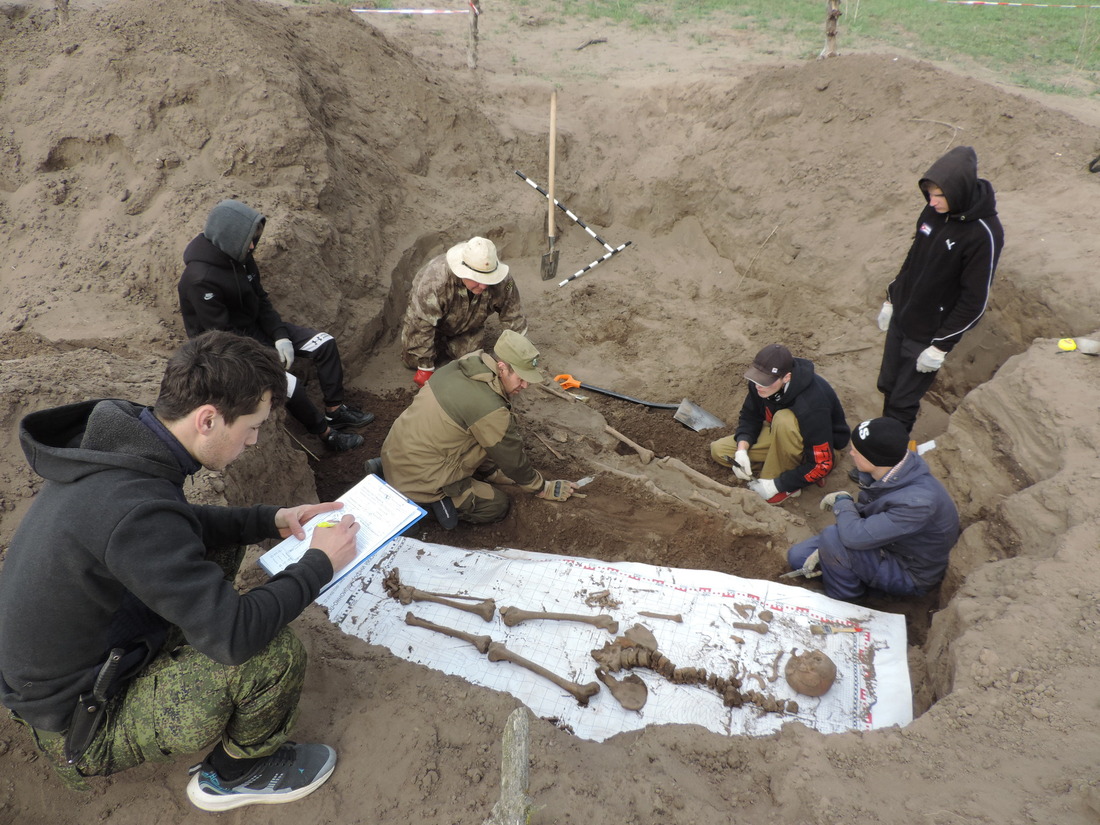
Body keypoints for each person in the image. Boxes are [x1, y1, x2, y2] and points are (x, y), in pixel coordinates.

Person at [0, 331, 361, 812]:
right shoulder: (131, 508)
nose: (254, 441)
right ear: (208, 419)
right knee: (270, 657)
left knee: (218, 549)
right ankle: (236, 774)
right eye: (251, 427)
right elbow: (234, 638)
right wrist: (320, 563)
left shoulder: (123, 447)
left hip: (66, 662)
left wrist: (269, 520)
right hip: (79, 720)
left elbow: (172, 526)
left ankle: (180, 651)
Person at [178, 198, 373, 452]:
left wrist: (280, 335)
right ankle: (327, 436)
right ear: (229, 238)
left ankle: (335, 411)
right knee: (291, 386)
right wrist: (268, 357)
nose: (251, 246)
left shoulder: (240, 256)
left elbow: (261, 300)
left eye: (253, 239)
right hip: (225, 353)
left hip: (256, 331)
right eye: (247, 240)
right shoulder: (199, 280)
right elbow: (222, 336)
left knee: (325, 343)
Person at [379, 329, 575, 526]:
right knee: (497, 505)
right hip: (418, 480)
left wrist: (490, 471)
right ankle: (423, 504)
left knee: (475, 434)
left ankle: (394, 473)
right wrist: (541, 487)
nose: (524, 386)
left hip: (394, 453)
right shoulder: (489, 408)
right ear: (502, 368)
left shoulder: (462, 366)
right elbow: (511, 457)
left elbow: (474, 433)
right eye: (521, 379)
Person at [875, 145, 1004, 433]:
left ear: (959, 190)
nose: (932, 202)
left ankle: (888, 462)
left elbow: (975, 300)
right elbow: (914, 255)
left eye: (939, 195)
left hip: (929, 333)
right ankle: (884, 440)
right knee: (887, 385)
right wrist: (892, 297)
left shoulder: (984, 234)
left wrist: (940, 345)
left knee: (903, 401)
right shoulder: (933, 212)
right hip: (903, 316)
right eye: (929, 194)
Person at [786, 417, 960, 602]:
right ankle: (857, 577)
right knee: (799, 557)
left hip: (908, 571)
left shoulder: (917, 503)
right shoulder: (894, 466)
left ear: (875, 459)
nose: (851, 453)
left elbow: (853, 536)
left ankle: (846, 601)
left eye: (857, 450)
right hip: (887, 541)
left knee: (833, 537)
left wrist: (843, 501)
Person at [711, 343, 850, 505]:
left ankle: (789, 481)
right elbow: (750, 416)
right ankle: (795, 469)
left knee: (784, 419)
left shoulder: (812, 404)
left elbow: (823, 463)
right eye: (756, 379)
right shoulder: (759, 384)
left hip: (821, 448)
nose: (758, 386)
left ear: (786, 377)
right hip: (780, 433)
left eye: (765, 382)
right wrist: (742, 450)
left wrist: (777, 485)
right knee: (719, 451)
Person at [400, 236, 528, 388]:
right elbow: (421, 323)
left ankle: (449, 345)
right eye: (477, 279)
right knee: (413, 360)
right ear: (463, 271)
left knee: (471, 362)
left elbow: (514, 319)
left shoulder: (503, 281)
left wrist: (516, 362)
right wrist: (425, 367)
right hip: (430, 321)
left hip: (468, 327)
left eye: (488, 279)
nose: (483, 286)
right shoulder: (435, 279)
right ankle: (436, 346)